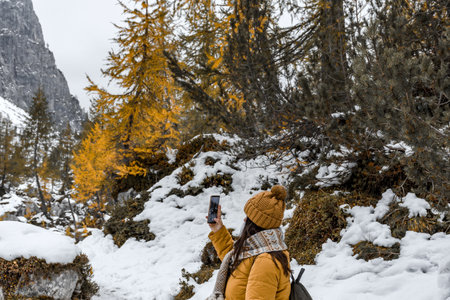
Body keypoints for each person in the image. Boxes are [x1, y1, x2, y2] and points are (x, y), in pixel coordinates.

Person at [206, 185, 291, 300]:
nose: (244, 220)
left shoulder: (266, 261)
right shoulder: (257, 249)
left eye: (248, 217)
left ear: (256, 223)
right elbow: (235, 261)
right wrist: (218, 230)